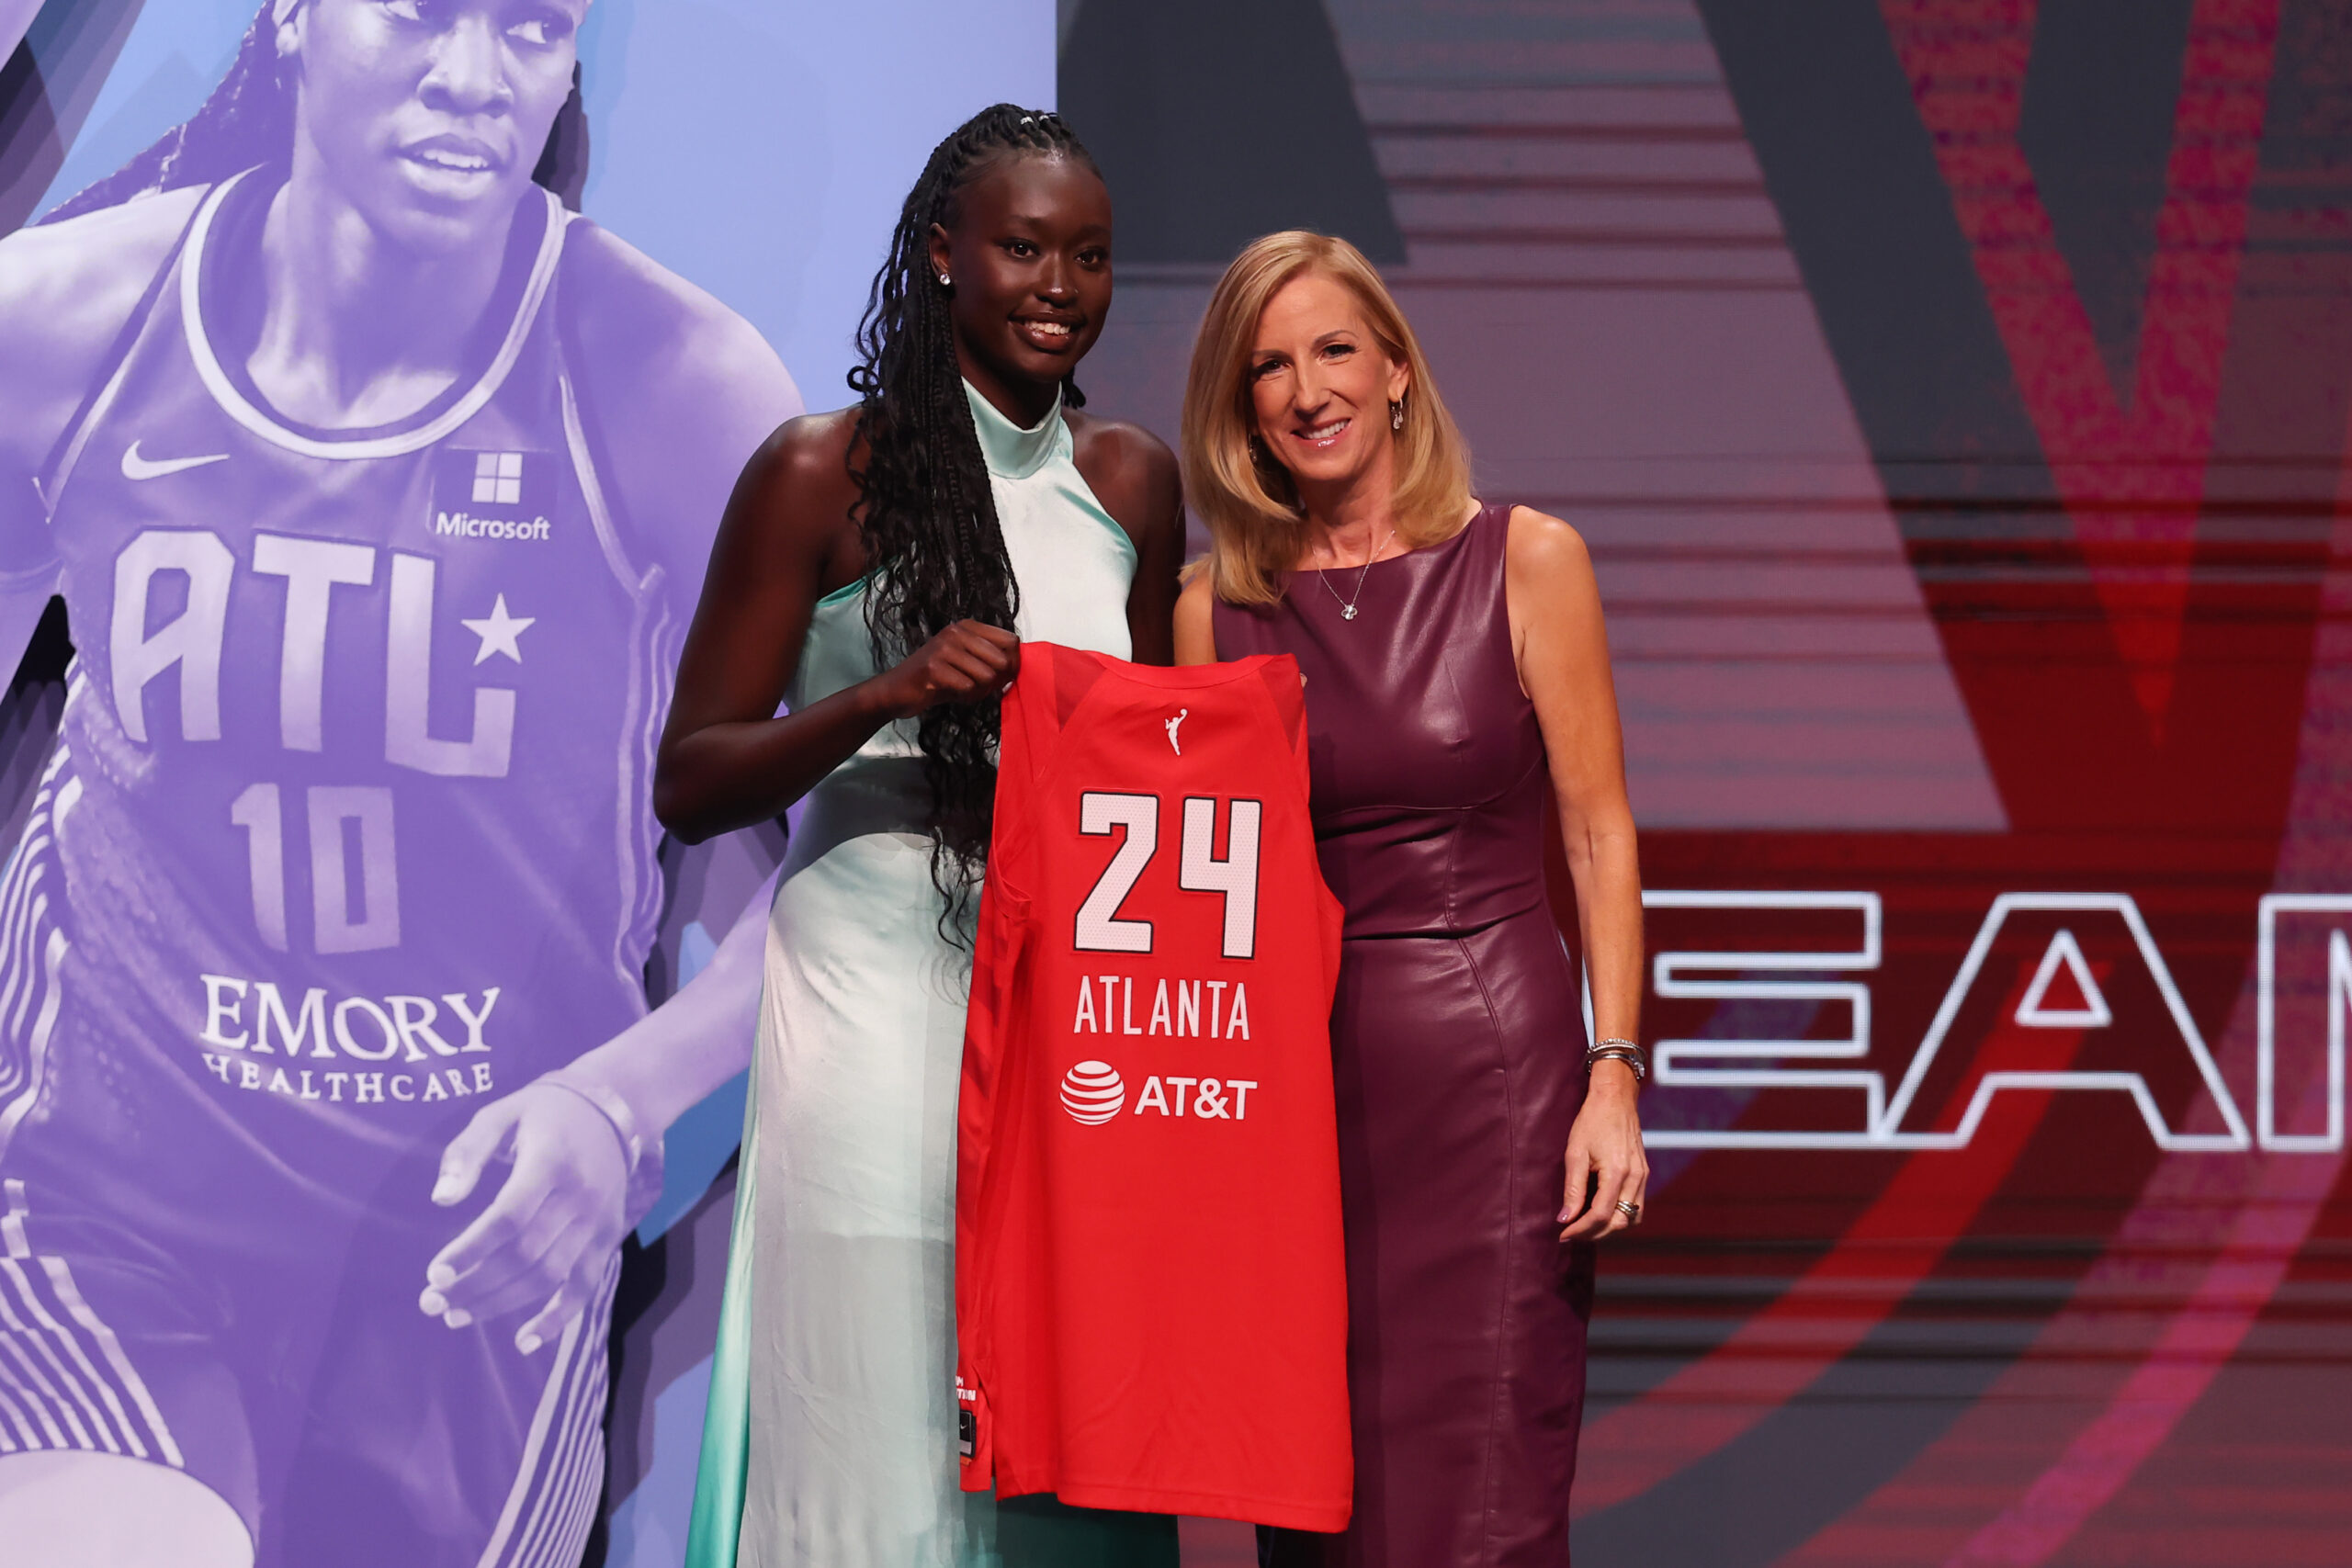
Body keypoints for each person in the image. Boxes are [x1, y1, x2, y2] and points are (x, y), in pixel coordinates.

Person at [0, 4, 800, 1564]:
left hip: (478, 1246)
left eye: (529, 28)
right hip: (111, 1201)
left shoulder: (673, 382)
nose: (472, 81)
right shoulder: (68, 324)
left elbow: (870, 837)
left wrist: (617, 1101)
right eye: (422, 14)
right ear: (294, 14)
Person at [655, 106, 1185, 1567]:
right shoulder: (821, 472)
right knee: (877, 1391)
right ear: (944, 253)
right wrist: (886, 692)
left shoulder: (1132, 483)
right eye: (1023, 247)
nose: (1059, 285)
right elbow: (691, 778)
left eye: (1089, 256)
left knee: (1064, 1397)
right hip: (873, 984)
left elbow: (1146, 771)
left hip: (1075, 1005)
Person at [1173, 231, 1649, 1566]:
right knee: (1319, 1498)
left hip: (1494, 1082)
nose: (1307, 388)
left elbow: (1600, 836)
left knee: (1479, 1494)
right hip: (1298, 1099)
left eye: (1334, 348)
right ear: (1241, 407)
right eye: (1268, 366)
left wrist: (1613, 1077)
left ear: (1396, 370)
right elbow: (1208, 898)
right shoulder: (1213, 611)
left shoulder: (1527, 558)